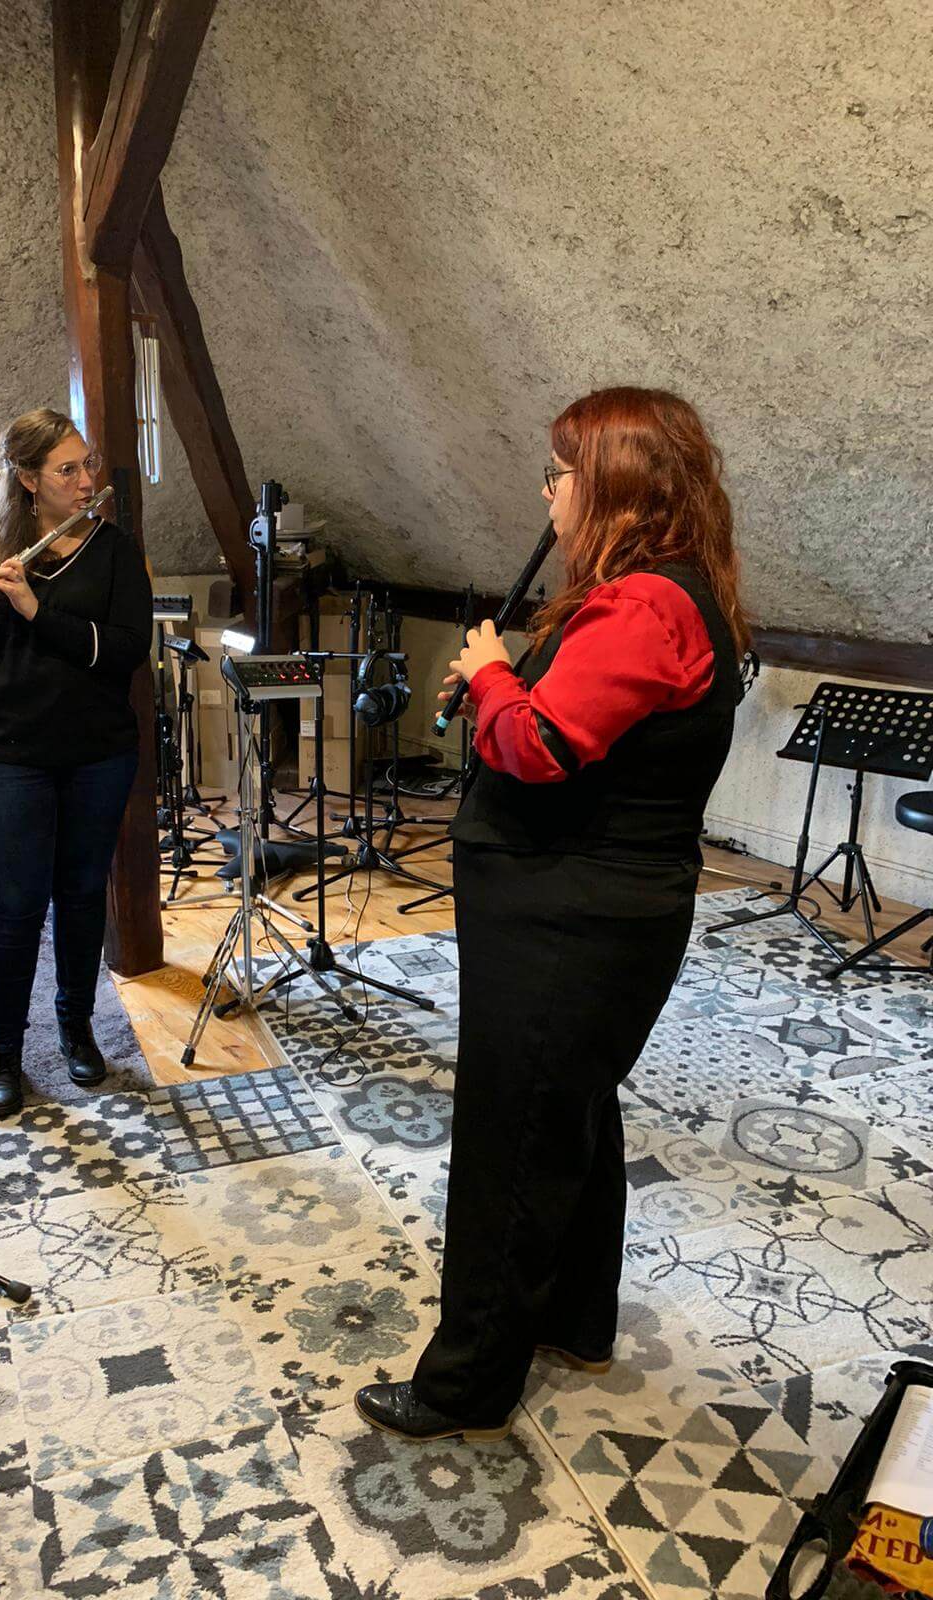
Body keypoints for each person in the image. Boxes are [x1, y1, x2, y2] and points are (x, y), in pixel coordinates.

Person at [355, 386, 749, 1441]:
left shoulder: (644, 605)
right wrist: (505, 683)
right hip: (589, 911)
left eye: (561, 472)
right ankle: (575, 1320)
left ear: (614, 484)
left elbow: (537, 747)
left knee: (511, 1141)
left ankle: (466, 1388)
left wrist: (491, 680)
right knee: (568, 1114)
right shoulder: (664, 593)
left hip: (569, 918)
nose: (549, 492)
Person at [0, 408, 152, 1118]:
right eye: (67, 470)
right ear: (28, 480)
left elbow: (124, 652)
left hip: (97, 752)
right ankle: (3, 1053)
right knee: (13, 907)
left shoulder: (114, 551)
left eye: (88, 464)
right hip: (7, 754)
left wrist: (33, 608)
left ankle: (76, 1028)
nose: (87, 480)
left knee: (82, 896)